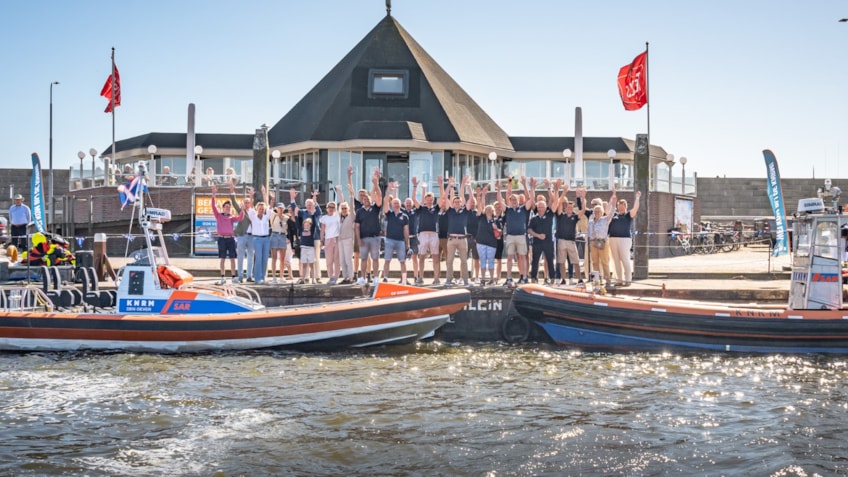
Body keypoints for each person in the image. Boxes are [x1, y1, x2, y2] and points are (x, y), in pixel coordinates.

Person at [497, 176, 533, 286]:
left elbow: (530, 199)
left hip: (521, 236)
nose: (513, 201)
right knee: (509, 258)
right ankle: (508, 278)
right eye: (512, 200)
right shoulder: (507, 210)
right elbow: (499, 200)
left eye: (515, 199)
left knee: (523, 257)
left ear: (518, 201)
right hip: (510, 236)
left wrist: (529, 186)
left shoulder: (523, 209)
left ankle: (525, 277)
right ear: (509, 201)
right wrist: (499, 189)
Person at [439, 175, 473, 287]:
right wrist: (449, 185)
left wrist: (468, 186)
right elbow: (445, 198)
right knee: (449, 261)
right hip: (452, 239)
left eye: (459, 201)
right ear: (453, 203)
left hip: (463, 239)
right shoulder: (450, 211)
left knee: (464, 261)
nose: (457, 203)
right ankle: (449, 280)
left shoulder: (465, 211)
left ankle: (466, 281)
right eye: (456, 201)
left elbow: (471, 200)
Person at [354, 167, 383, 285]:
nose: (366, 200)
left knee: (375, 258)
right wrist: (358, 239)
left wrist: (376, 184)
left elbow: (380, 196)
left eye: (367, 198)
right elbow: (356, 226)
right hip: (364, 238)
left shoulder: (375, 208)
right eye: (364, 199)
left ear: (370, 199)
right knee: (363, 259)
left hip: (375, 237)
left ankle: (376, 277)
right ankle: (362, 278)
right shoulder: (360, 211)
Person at [210, 182, 244, 284]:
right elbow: (213, 206)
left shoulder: (231, 217)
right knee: (222, 258)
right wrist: (213, 195)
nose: (228, 208)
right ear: (223, 207)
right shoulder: (219, 216)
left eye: (229, 207)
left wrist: (242, 210)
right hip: (222, 239)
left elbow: (240, 218)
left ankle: (233, 277)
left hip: (230, 239)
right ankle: (223, 277)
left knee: (233, 258)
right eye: (226, 206)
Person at [553, 181, 586, 285]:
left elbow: (583, 210)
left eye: (571, 208)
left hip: (571, 241)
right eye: (568, 207)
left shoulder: (575, 217)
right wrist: (564, 192)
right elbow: (558, 204)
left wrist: (583, 198)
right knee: (561, 262)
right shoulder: (560, 215)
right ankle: (563, 279)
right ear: (565, 207)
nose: (570, 209)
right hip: (561, 241)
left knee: (575, 261)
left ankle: (579, 279)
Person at [412, 176, 442, 285]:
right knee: (421, 257)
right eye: (427, 199)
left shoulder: (436, 208)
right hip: (423, 234)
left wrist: (440, 185)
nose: (429, 201)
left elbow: (443, 198)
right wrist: (415, 186)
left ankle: (436, 278)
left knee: (435, 257)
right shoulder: (421, 209)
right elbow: (414, 199)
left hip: (434, 234)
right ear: (425, 200)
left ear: (433, 200)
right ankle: (420, 277)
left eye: (431, 199)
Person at [608, 191, 641, 286]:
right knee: (616, 261)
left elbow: (635, 208)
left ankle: (628, 280)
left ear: (625, 206)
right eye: (619, 206)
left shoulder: (628, 215)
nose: (620, 207)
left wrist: (637, 197)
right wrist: (612, 198)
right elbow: (607, 210)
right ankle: (619, 280)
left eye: (622, 206)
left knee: (625, 259)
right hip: (613, 239)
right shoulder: (614, 215)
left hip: (624, 239)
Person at [291, 188, 323, 284]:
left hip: (316, 237)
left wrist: (314, 198)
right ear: (305, 205)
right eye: (307, 205)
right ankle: (306, 277)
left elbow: (317, 207)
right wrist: (292, 199)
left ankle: (317, 277)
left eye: (311, 204)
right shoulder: (303, 212)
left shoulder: (317, 212)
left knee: (315, 258)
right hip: (306, 239)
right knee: (305, 259)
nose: (309, 206)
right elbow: (295, 209)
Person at [380, 183, 410, 284]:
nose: (396, 205)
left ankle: (404, 279)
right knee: (387, 260)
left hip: (400, 241)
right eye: (394, 203)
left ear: (400, 204)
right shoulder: (389, 214)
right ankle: (385, 278)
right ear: (392, 205)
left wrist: (407, 243)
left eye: (398, 203)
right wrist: (388, 190)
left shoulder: (405, 216)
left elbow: (406, 230)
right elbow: (385, 202)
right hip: (389, 240)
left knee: (402, 261)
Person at [587, 190, 617, 287]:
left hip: (603, 242)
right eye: (595, 211)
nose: (597, 212)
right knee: (595, 262)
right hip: (593, 243)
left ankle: (608, 281)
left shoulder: (605, 220)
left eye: (599, 211)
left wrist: (613, 202)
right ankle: (596, 281)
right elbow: (589, 231)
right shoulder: (591, 220)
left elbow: (612, 212)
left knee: (604, 262)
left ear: (602, 212)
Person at [474, 186, 502, 285]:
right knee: (482, 260)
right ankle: (482, 279)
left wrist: (496, 228)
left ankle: (491, 279)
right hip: (481, 242)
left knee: (490, 260)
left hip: (491, 243)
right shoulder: (481, 217)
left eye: (490, 210)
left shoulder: (496, 220)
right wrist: (482, 195)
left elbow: (499, 234)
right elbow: (480, 206)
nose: (488, 211)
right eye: (487, 210)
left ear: (493, 211)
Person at [527, 197, 556, 284]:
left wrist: (554, 189)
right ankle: (534, 278)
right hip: (537, 242)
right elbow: (529, 230)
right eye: (539, 207)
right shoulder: (533, 219)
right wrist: (537, 235)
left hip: (548, 242)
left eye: (542, 207)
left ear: (546, 207)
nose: (541, 208)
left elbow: (555, 202)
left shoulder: (549, 215)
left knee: (550, 260)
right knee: (535, 260)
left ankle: (552, 278)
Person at [246, 186, 271, 284]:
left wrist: (264, 194)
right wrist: (251, 196)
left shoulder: (266, 217)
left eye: (262, 208)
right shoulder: (253, 216)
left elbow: (268, 206)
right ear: (257, 209)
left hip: (266, 239)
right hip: (257, 239)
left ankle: (263, 277)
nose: (261, 210)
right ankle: (257, 278)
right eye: (259, 208)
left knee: (265, 258)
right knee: (259, 258)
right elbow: (251, 207)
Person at [335, 184, 356, 284]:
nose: (343, 210)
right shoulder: (339, 217)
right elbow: (341, 201)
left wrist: (351, 196)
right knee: (342, 260)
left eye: (345, 208)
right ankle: (345, 277)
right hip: (340, 240)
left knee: (348, 259)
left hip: (348, 239)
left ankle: (351, 277)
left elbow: (351, 207)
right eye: (342, 208)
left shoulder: (351, 216)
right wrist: (339, 191)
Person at [231, 190, 254, 283]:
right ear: (243, 204)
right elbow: (234, 203)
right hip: (242, 236)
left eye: (248, 202)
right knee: (240, 257)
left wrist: (251, 195)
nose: (247, 204)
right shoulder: (241, 211)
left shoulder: (253, 212)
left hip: (251, 236)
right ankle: (240, 276)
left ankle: (249, 276)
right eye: (245, 202)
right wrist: (232, 191)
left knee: (250, 256)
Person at [320, 200, 341, 285]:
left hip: (336, 239)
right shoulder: (324, 218)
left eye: (333, 207)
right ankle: (330, 277)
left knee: (336, 260)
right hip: (328, 239)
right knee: (329, 260)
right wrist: (321, 241)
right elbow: (322, 230)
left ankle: (336, 277)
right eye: (330, 207)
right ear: (327, 208)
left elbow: (342, 202)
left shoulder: (337, 216)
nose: (331, 209)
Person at [269, 203, 289, 284]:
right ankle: (274, 277)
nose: (280, 209)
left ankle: (281, 276)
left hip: (283, 236)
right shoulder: (273, 215)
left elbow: (289, 228)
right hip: (274, 235)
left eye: (281, 208)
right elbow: (268, 207)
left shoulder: (286, 218)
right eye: (279, 208)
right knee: (274, 257)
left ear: (283, 209)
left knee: (282, 258)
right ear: (276, 209)